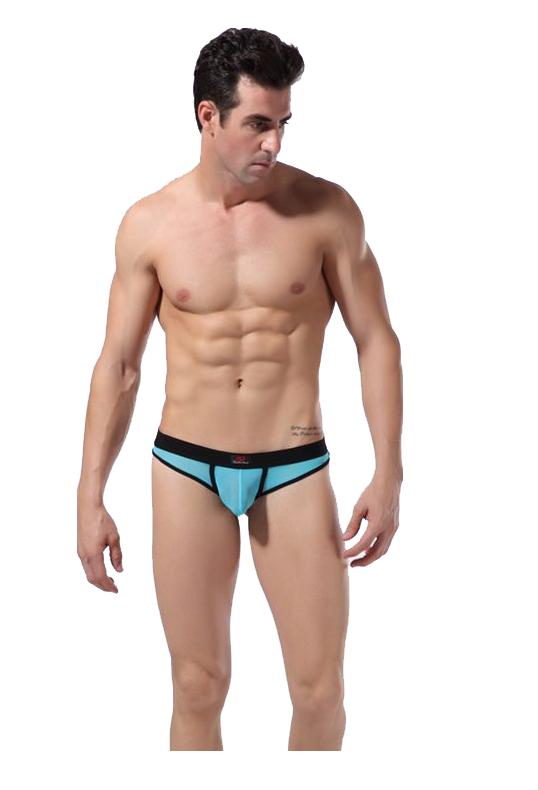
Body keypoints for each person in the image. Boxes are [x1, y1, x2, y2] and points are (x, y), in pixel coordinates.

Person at [76, 26, 403, 751]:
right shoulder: (150, 224)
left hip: (294, 465)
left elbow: (376, 339)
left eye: (283, 123)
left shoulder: (326, 212)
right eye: (258, 123)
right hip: (186, 466)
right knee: (197, 685)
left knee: (320, 692)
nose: (274, 143)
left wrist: (389, 471)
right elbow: (119, 365)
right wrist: (89, 493)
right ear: (208, 116)